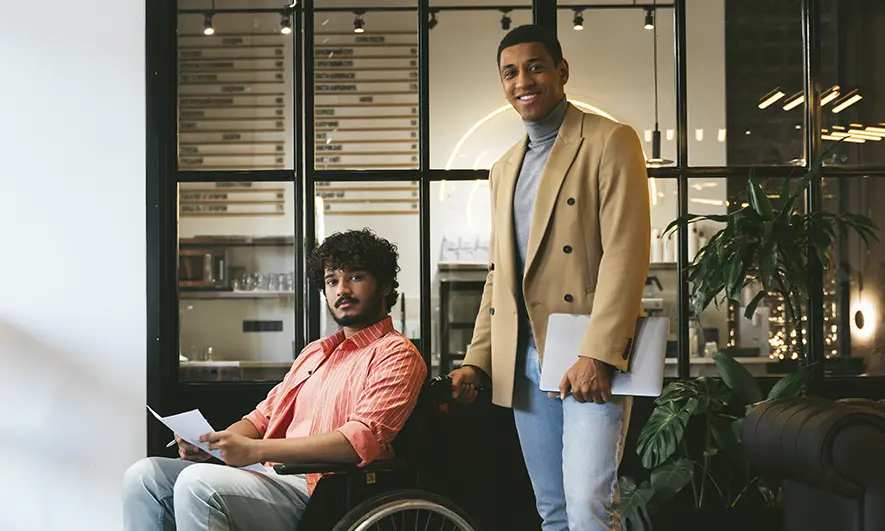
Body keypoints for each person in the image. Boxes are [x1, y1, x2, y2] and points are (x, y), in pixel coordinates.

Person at [449, 24, 651, 531]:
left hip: (587, 353)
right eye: (510, 73)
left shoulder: (609, 140)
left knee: (589, 506)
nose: (523, 81)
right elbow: (499, 276)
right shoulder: (504, 167)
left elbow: (625, 255)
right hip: (524, 360)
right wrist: (477, 360)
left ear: (561, 71)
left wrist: (598, 354)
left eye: (535, 67)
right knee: (553, 511)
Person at [123, 229, 427, 531]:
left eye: (356, 277)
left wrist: (256, 450)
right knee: (145, 475)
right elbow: (261, 418)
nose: (342, 290)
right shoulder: (316, 352)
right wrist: (212, 444)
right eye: (332, 281)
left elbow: (356, 442)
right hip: (276, 476)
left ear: (384, 285)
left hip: (329, 490)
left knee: (198, 482)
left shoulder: (396, 353)